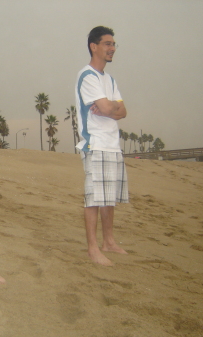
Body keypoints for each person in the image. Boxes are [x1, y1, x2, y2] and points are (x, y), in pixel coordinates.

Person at [75, 26, 129, 266]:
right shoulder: (87, 76)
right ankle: (93, 248)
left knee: (109, 198)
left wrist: (110, 108)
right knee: (94, 198)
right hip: (95, 143)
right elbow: (109, 109)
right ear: (93, 46)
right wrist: (110, 109)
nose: (112, 48)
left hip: (112, 144)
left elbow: (122, 111)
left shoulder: (109, 79)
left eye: (113, 44)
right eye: (107, 43)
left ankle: (108, 241)